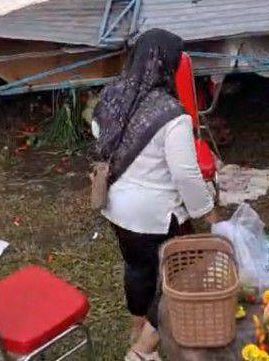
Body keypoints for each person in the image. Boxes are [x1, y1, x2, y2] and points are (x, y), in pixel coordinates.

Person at [92, 29, 217, 361]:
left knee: (137, 267)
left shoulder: (111, 96)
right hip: (155, 214)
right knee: (184, 277)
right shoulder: (172, 115)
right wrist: (208, 212)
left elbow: (98, 136)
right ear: (169, 65)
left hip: (116, 206)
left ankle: (137, 327)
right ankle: (142, 349)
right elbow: (185, 175)